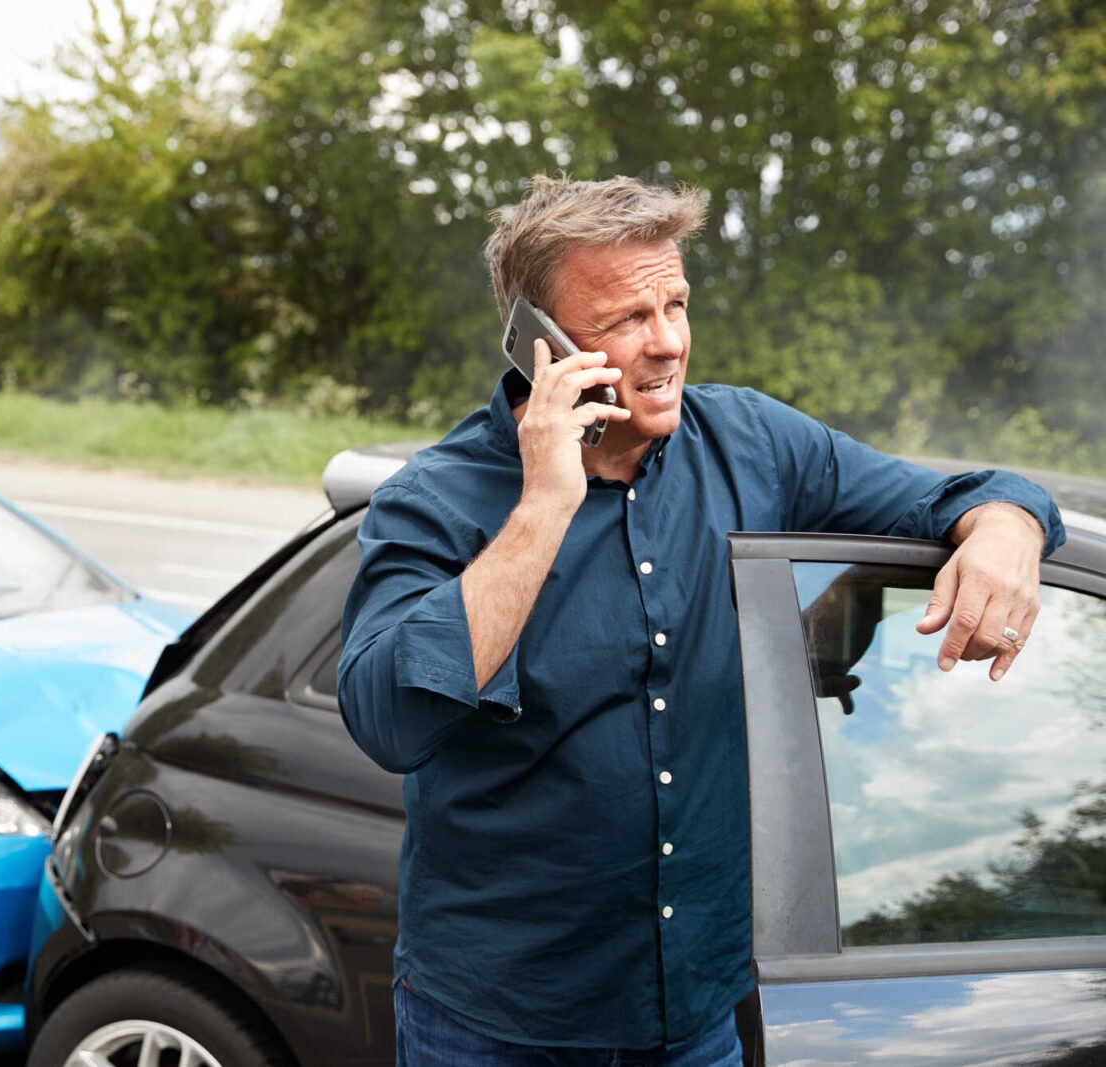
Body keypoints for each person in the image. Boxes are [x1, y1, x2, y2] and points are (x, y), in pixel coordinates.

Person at [336, 174, 1065, 1067]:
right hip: (497, 1025)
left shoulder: (756, 442)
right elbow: (388, 717)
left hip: (694, 1021)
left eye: (675, 304)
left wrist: (1006, 527)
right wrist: (543, 507)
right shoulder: (433, 499)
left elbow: (958, 494)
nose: (667, 343)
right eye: (626, 320)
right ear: (540, 343)